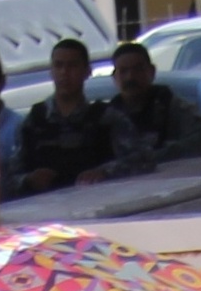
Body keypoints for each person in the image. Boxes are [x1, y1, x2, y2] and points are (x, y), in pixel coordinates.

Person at [17, 37, 123, 193]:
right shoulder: (34, 120)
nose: (64, 73)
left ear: (87, 71)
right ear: (51, 71)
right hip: (46, 209)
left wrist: (104, 172)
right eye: (58, 65)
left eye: (72, 66)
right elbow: (9, 176)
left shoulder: (106, 118)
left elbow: (141, 160)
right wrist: (27, 180)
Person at [103, 40, 201, 169]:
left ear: (151, 71)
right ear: (114, 77)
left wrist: (155, 156)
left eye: (138, 69)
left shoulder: (172, 107)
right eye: (123, 71)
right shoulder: (106, 118)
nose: (130, 77)